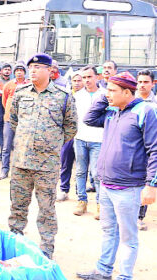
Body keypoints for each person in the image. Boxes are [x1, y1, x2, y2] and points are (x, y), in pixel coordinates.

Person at [76, 72, 157, 280]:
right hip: (106, 184)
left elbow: (154, 149)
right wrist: (107, 93)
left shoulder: (144, 111)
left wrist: (151, 184)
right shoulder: (112, 111)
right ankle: (103, 271)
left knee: (128, 237)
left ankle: (125, 276)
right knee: (108, 230)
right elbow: (89, 118)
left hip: (129, 187)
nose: (107, 94)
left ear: (128, 92)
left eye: (112, 91)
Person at [8, 53, 77, 259]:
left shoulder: (63, 96)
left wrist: (50, 144)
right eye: (31, 68)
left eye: (38, 68)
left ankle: (46, 249)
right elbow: (13, 120)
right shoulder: (20, 93)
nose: (33, 71)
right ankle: (14, 244)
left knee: (46, 208)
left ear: (50, 70)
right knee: (17, 206)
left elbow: (71, 127)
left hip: (47, 166)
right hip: (21, 162)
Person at [72, 66, 105, 219]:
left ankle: (100, 204)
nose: (86, 80)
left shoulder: (105, 94)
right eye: (84, 78)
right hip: (80, 139)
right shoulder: (77, 96)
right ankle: (81, 201)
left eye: (89, 77)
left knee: (97, 173)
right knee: (80, 171)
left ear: (97, 77)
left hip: (99, 140)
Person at [0, 61, 29, 180]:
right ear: (14, 73)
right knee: (6, 146)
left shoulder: (29, 85)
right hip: (9, 120)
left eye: (21, 71)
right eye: (17, 71)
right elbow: (4, 101)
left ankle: (19, 172)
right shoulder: (9, 85)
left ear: (24, 72)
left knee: (21, 146)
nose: (19, 73)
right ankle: (4, 170)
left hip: (24, 121)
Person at [57, 71, 84, 201]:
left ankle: (80, 193)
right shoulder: (65, 96)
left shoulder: (88, 96)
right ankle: (63, 189)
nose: (77, 83)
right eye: (75, 81)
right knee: (65, 162)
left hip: (83, 135)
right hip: (68, 135)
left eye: (80, 80)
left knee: (81, 166)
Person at [135, 69, 157, 231]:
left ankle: (139, 216)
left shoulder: (155, 104)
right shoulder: (131, 101)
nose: (142, 85)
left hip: (149, 148)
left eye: (145, 82)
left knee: (145, 182)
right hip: (132, 148)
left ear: (153, 84)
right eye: (140, 82)